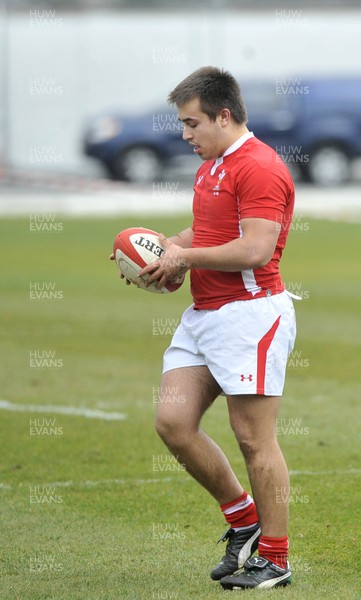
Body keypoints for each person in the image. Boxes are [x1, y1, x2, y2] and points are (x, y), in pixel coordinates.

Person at [139, 66, 297, 590]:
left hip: (250, 316)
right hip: (204, 315)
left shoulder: (260, 166)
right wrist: (166, 252)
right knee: (173, 423)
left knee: (254, 439)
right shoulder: (212, 166)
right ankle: (242, 519)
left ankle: (275, 558)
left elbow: (254, 249)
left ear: (222, 116)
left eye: (192, 124)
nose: (185, 135)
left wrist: (185, 257)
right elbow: (204, 231)